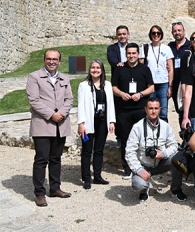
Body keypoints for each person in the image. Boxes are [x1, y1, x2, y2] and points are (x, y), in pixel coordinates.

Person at [26, 49, 74, 207]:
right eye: (49, 59)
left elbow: (69, 99)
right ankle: (39, 193)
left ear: (59, 61)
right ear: (44, 60)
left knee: (56, 158)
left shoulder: (64, 78)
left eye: (55, 59)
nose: (51, 61)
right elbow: (34, 100)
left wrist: (61, 113)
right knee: (41, 159)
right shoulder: (34, 77)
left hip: (60, 124)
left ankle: (55, 188)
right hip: (43, 124)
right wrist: (51, 114)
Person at [125, 98, 181, 202]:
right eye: (150, 108)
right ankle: (144, 189)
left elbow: (174, 146)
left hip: (161, 163)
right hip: (143, 165)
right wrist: (139, 169)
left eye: (156, 108)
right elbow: (129, 152)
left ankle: (176, 189)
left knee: (178, 158)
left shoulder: (166, 127)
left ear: (160, 109)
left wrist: (163, 154)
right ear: (145, 109)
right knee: (138, 184)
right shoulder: (137, 127)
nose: (153, 111)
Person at [112, 43, 154, 178]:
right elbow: (113, 87)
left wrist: (141, 94)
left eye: (134, 53)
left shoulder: (145, 69)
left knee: (143, 138)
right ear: (126, 54)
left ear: (138, 54)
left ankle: (142, 165)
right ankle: (128, 168)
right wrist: (121, 94)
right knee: (125, 140)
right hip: (123, 110)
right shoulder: (119, 69)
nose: (131, 56)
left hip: (140, 108)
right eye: (129, 53)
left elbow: (151, 88)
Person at [77, 60, 116, 189]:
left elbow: (111, 104)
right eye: (93, 67)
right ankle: (86, 178)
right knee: (87, 151)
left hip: (102, 121)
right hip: (88, 122)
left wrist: (111, 121)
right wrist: (81, 123)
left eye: (98, 67)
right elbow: (81, 106)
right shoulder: (84, 85)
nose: (95, 70)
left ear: (102, 70)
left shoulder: (108, 85)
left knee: (99, 150)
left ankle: (97, 176)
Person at [139, 25, 174, 122]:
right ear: (150, 35)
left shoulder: (166, 49)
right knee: (150, 111)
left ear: (161, 35)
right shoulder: (145, 48)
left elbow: (170, 69)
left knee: (163, 112)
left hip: (163, 83)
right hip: (150, 84)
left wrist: (170, 86)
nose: (156, 35)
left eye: (158, 33)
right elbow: (140, 67)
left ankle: (163, 135)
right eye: (153, 33)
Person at [168, 22, 191, 125]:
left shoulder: (190, 46)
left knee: (188, 109)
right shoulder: (170, 46)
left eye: (179, 30)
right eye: (175, 31)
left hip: (187, 83)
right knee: (179, 109)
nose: (177, 33)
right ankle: (184, 135)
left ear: (184, 31)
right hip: (175, 82)